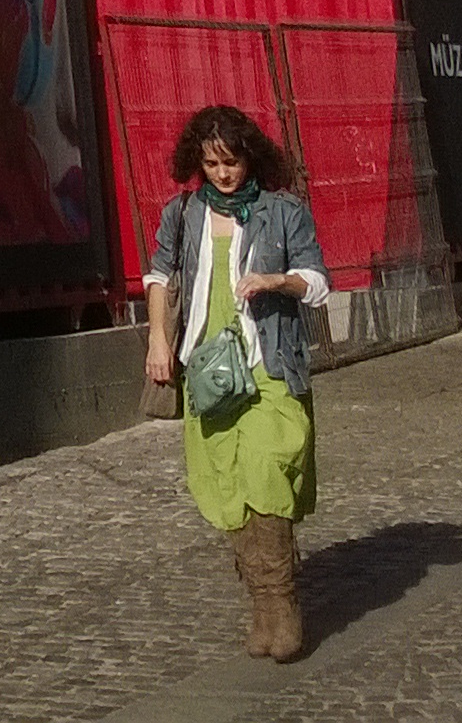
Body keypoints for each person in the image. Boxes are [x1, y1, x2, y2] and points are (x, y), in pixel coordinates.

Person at [141, 105, 330, 662]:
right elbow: (159, 277)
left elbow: (318, 281)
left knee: (269, 469)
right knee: (227, 484)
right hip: (208, 372)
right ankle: (264, 610)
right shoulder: (182, 213)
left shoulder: (283, 211)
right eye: (212, 163)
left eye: (232, 161)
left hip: (268, 364)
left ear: (251, 157)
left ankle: (283, 605)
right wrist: (158, 342)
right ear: (197, 163)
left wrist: (277, 280)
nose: (223, 173)